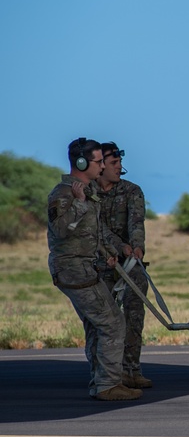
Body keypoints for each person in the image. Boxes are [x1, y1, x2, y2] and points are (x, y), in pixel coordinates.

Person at [48, 138, 141, 401]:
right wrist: (78, 203)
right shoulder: (64, 193)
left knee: (97, 325)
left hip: (85, 268)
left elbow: (91, 233)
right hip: (73, 270)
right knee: (112, 323)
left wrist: (108, 253)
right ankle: (108, 385)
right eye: (98, 161)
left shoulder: (87, 192)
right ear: (81, 163)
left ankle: (101, 381)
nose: (102, 166)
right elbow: (59, 230)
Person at [96, 141, 152, 389]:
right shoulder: (86, 194)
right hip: (99, 265)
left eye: (120, 163)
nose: (120, 167)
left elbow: (136, 223)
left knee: (133, 316)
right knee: (103, 322)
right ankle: (104, 375)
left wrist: (136, 248)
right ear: (100, 166)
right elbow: (96, 229)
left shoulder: (132, 191)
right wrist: (119, 246)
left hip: (130, 265)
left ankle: (131, 370)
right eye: (114, 163)